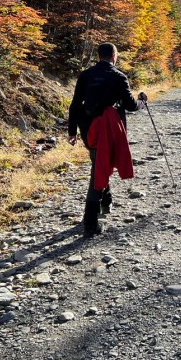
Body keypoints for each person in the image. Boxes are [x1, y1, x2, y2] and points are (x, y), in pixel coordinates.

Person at [68, 43, 147, 238]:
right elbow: (130, 105)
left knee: (98, 161)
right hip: (110, 131)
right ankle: (90, 222)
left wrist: (72, 132)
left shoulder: (85, 75)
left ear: (99, 56)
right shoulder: (119, 76)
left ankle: (106, 201)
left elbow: (75, 105)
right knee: (99, 168)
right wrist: (142, 102)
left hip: (88, 129)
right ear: (114, 56)